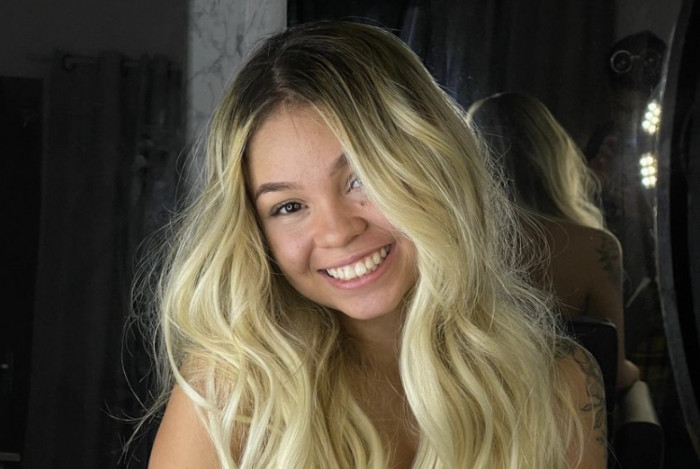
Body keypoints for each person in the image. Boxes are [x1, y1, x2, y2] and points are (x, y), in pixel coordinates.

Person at [145, 21, 606, 468]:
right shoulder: (226, 401)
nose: (336, 232)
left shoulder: (561, 383)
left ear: (433, 164)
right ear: (254, 232)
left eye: (360, 179)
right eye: (289, 206)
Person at [468, 91, 640, 391]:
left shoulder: (456, 242)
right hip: (562, 413)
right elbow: (612, 373)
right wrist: (637, 374)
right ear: (554, 155)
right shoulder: (595, 247)